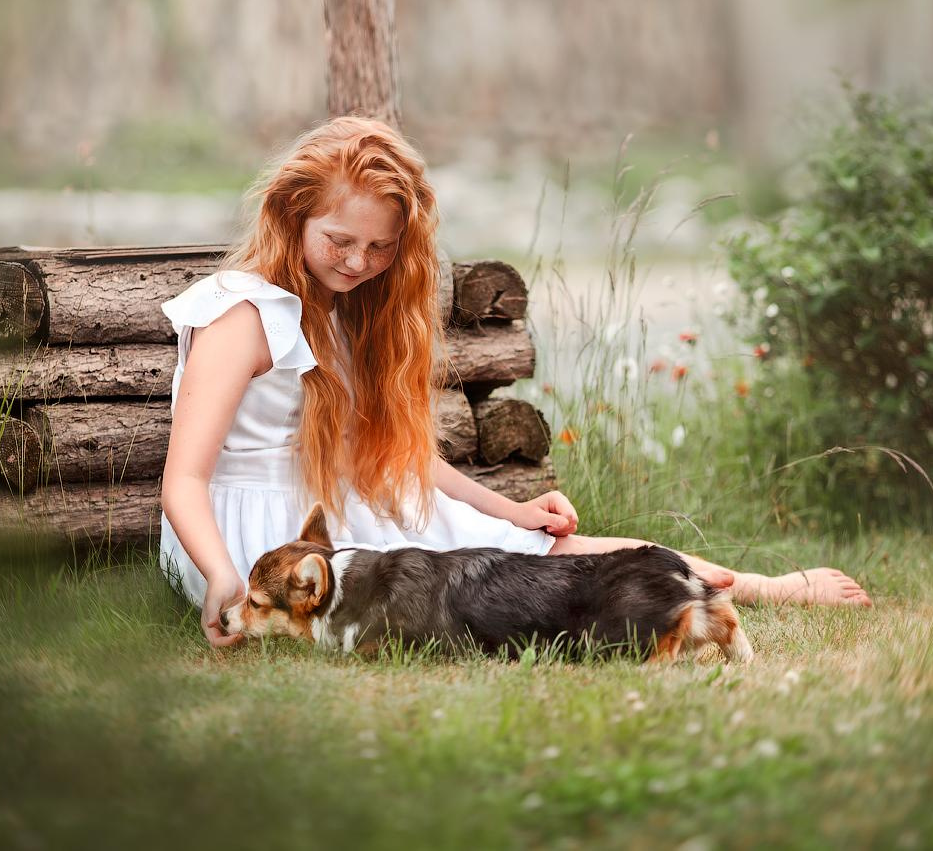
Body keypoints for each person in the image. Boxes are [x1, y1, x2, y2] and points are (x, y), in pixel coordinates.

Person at [159, 116, 871, 648]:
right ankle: (750, 588)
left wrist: (510, 509)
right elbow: (183, 479)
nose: (358, 262)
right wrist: (222, 576)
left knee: (541, 553)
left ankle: (753, 587)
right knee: (516, 578)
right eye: (339, 240)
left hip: (334, 510)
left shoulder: (337, 313)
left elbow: (382, 452)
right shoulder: (242, 312)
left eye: (380, 247)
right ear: (292, 214)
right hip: (255, 545)